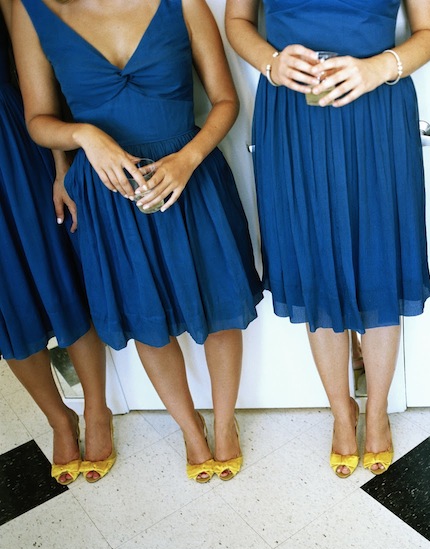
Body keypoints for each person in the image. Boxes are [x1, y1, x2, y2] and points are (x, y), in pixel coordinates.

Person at [13, 0, 262, 482]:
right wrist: (84, 134)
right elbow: (38, 122)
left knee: (219, 310)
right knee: (148, 316)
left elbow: (226, 101)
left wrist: (187, 160)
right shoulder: (33, 11)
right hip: (110, 195)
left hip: (192, 179)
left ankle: (225, 424)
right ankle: (191, 432)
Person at [225, 0, 430, 477]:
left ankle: (378, 411)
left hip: (377, 110)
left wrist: (378, 69)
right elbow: (237, 23)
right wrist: (271, 63)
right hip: (293, 116)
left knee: (381, 263)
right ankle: (342, 414)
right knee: (315, 265)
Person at [0, 0, 112, 484]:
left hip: (13, 144)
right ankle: (58, 419)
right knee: (6, 308)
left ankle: (97, 408)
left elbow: (37, 76)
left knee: (58, 274)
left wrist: (61, 167)